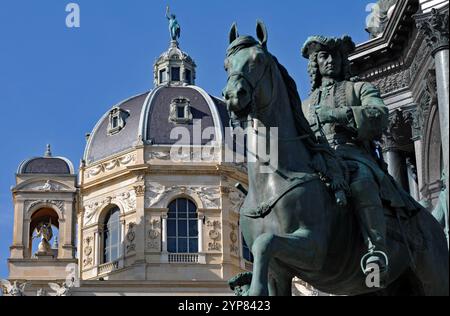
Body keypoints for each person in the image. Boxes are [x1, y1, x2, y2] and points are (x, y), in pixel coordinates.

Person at [301, 35, 422, 284]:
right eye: (324, 56)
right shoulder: (305, 105)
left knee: (362, 183)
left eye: (335, 56)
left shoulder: (358, 88)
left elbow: (379, 115)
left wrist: (337, 114)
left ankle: (374, 248)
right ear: (315, 63)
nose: (330, 61)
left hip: (352, 154)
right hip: (318, 161)